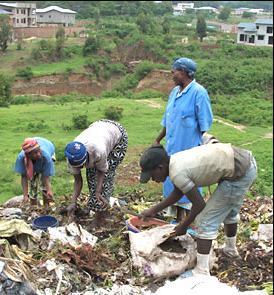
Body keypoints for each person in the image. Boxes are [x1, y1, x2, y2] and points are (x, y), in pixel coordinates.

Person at [139, 143, 257, 276]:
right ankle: (230, 250)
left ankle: (201, 270)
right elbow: (179, 192)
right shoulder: (175, 162)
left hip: (240, 173)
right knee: (229, 210)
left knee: (205, 221)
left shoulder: (177, 172)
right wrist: (154, 210)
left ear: (160, 168)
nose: (153, 179)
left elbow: (199, 204)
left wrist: (184, 224)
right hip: (244, 163)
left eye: (152, 176)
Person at [153, 57, 213, 224]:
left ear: (183, 72)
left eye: (174, 73)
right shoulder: (174, 92)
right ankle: (178, 219)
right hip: (172, 149)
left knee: (189, 187)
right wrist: (158, 140)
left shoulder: (198, 93)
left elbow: (204, 124)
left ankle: (190, 223)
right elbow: (168, 121)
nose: (172, 76)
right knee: (174, 184)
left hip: (189, 152)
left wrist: (193, 145)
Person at [64, 119, 128, 228]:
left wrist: (98, 191)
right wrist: (73, 202)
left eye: (81, 165)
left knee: (105, 179)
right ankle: (99, 204)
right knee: (91, 176)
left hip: (117, 135)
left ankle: (100, 216)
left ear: (86, 157)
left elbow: (102, 171)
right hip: (98, 128)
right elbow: (78, 181)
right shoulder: (72, 156)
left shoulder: (98, 150)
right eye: (77, 166)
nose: (79, 168)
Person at [14, 137, 56, 206]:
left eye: (39, 151)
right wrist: (25, 195)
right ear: (28, 155)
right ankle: (33, 206)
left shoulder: (46, 156)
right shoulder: (22, 158)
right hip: (30, 164)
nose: (38, 154)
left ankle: (46, 207)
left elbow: (46, 176)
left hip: (48, 145)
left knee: (44, 188)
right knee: (33, 186)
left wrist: (49, 190)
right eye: (35, 153)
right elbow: (24, 176)